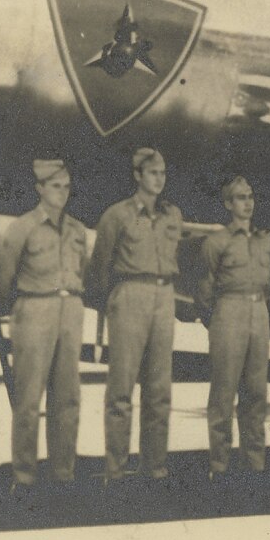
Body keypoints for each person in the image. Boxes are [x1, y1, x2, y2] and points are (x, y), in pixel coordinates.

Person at [0, 159, 91, 487]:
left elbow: (84, 272)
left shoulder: (77, 230)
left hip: (70, 311)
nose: (62, 193)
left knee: (67, 397)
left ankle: (64, 473)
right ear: (39, 189)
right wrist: (13, 310)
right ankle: (24, 475)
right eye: (54, 186)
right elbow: (5, 275)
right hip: (34, 309)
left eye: (65, 186)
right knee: (29, 397)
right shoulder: (23, 228)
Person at [89, 145, 184, 482]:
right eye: (153, 173)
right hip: (129, 293)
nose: (159, 179)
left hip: (163, 295)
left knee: (159, 388)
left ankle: (154, 466)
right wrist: (111, 300)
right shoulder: (117, 215)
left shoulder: (173, 215)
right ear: (138, 176)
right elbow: (100, 265)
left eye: (162, 173)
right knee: (122, 387)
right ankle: (115, 468)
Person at [195, 175, 270, 476]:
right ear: (229, 204)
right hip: (228, 310)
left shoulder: (265, 241)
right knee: (224, 391)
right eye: (241, 197)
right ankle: (220, 463)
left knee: (256, 391)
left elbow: (268, 285)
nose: (248, 203)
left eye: (251, 196)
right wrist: (217, 320)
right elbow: (205, 289)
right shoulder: (217, 242)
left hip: (259, 310)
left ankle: (255, 462)